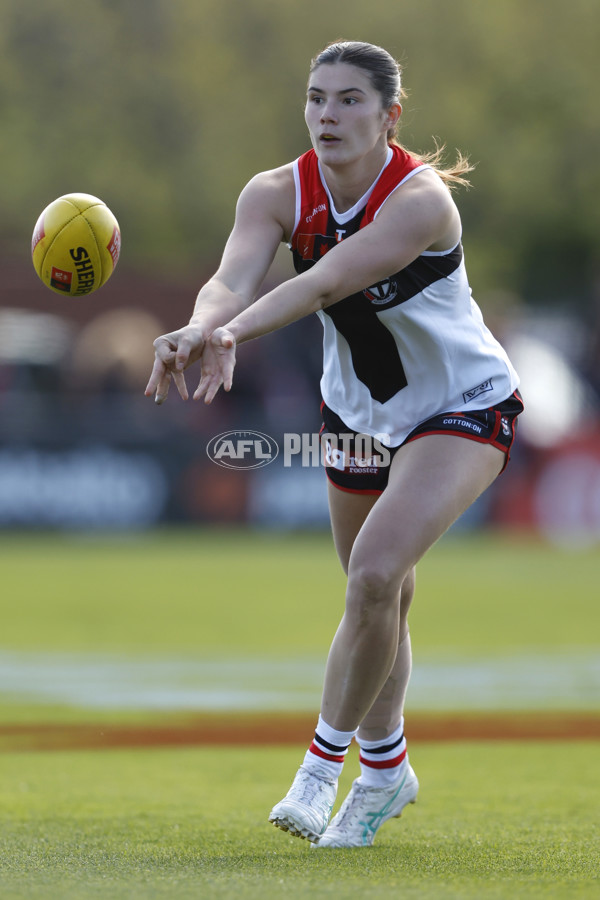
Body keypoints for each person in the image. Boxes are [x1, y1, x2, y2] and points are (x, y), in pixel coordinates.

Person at [145, 40, 523, 848]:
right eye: (317, 98)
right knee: (380, 594)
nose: (328, 115)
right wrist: (201, 324)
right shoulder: (274, 191)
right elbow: (231, 278)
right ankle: (387, 772)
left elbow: (323, 281)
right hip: (356, 415)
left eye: (350, 100)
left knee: (377, 572)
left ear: (391, 115)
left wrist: (232, 335)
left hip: (461, 405)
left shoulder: (421, 202)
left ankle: (321, 771)